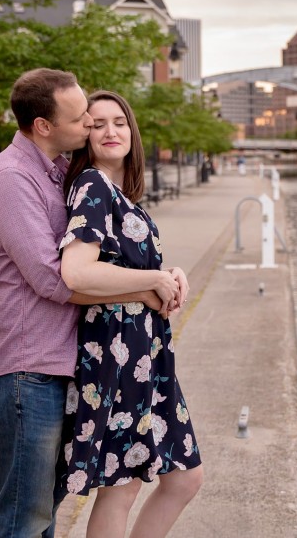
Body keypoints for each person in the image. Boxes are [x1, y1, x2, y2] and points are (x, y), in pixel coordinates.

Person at [0, 69, 165, 538]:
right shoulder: (10, 180)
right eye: (81, 119)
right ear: (43, 125)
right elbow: (51, 280)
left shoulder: (55, 171)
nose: (90, 127)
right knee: (24, 520)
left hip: (55, 367)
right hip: (23, 370)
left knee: (43, 516)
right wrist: (144, 289)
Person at [59, 90, 204, 538]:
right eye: (97, 123)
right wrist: (151, 285)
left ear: (131, 130)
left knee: (183, 477)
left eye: (119, 122)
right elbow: (77, 273)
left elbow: (128, 269)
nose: (110, 131)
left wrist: (167, 275)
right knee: (119, 489)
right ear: (85, 135)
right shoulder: (93, 186)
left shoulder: (122, 195)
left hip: (146, 356)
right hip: (116, 356)